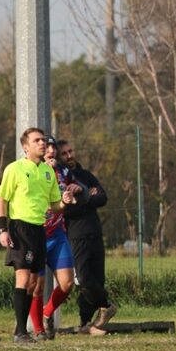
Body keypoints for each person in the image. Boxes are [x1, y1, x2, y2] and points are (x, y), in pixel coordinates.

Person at [0, 127, 71, 344]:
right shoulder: (15, 169)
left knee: (33, 282)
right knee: (23, 278)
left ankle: (22, 330)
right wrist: (2, 229)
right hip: (20, 228)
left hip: (39, 230)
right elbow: (2, 199)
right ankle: (21, 332)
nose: (42, 143)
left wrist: (64, 202)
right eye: (37, 140)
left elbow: (54, 205)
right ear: (25, 147)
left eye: (43, 140)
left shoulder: (48, 172)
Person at [59, 139, 117, 334]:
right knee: (83, 279)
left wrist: (81, 198)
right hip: (76, 235)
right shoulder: (60, 180)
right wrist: (87, 196)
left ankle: (86, 323)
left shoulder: (85, 175)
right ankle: (106, 304)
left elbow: (102, 197)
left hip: (95, 232)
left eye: (71, 151)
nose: (69, 156)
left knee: (97, 278)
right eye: (64, 153)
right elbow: (65, 210)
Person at [28, 136, 77, 340]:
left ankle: (47, 313)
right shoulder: (30, 171)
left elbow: (76, 184)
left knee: (67, 283)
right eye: (46, 148)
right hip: (36, 234)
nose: (50, 151)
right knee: (36, 286)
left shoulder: (63, 172)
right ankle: (38, 330)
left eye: (53, 147)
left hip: (57, 234)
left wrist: (76, 188)